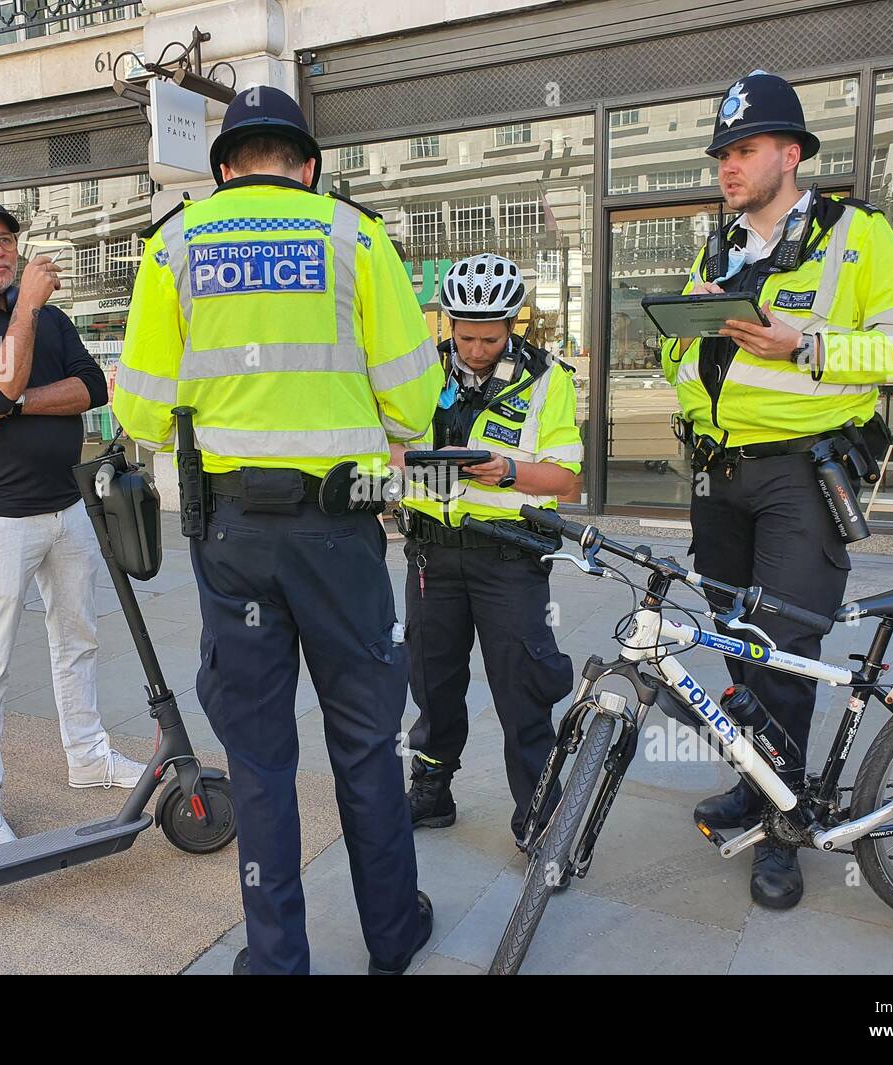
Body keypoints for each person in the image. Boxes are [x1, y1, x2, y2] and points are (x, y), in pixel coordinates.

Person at [112, 86, 444, 975]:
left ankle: (275, 960)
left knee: (258, 759)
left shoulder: (173, 245)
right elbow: (414, 401)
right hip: (340, 536)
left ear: (223, 169)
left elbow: (140, 412)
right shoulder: (356, 237)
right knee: (367, 745)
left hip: (232, 540)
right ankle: (392, 937)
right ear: (308, 166)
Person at [662, 71, 893, 908]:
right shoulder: (717, 247)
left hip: (799, 478)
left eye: (744, 151)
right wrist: (686, 340)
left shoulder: (857, 236)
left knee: (783, 657)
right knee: (740, 651)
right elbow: (681, 359)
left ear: (791, 153)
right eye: (722, 154)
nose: (728, 167)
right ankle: (756, 786)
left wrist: (806, 345)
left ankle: (785, 830)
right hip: (720, 475)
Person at [0, 198, 146, 852]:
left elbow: (91, 390)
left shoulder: (52, 319)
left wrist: (8, 399)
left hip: (68, 506)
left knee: (78, 638)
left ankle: (87, 754)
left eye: (7, 238)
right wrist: (18, 325)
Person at [393, 253, 582, 844]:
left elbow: (567, 479)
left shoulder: (549, 380)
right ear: (448, 322)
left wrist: (505, 472)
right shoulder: (418, 373)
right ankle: (431, 791)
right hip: (431, 556)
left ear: (513, 325)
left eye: (489, 337)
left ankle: (538, 810)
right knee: (433, 682)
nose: (476, 349)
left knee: (521, 687)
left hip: (509, 558)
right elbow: (385, 449)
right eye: (465, 335)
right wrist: (400, 466)